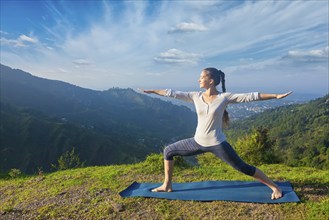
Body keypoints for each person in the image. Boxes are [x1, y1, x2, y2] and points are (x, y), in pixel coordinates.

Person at [141, 67, 292, 200]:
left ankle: (274, 187)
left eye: (202, 77)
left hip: (217, 144)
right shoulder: (195, 96)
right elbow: (172, 93)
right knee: (168, 151)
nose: (198, 79)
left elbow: (251, 96)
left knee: (243, 167)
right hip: (197, 142)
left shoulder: (223, 98)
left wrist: (276, 96)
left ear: (211, 81)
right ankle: (167, 185)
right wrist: (154, 91)